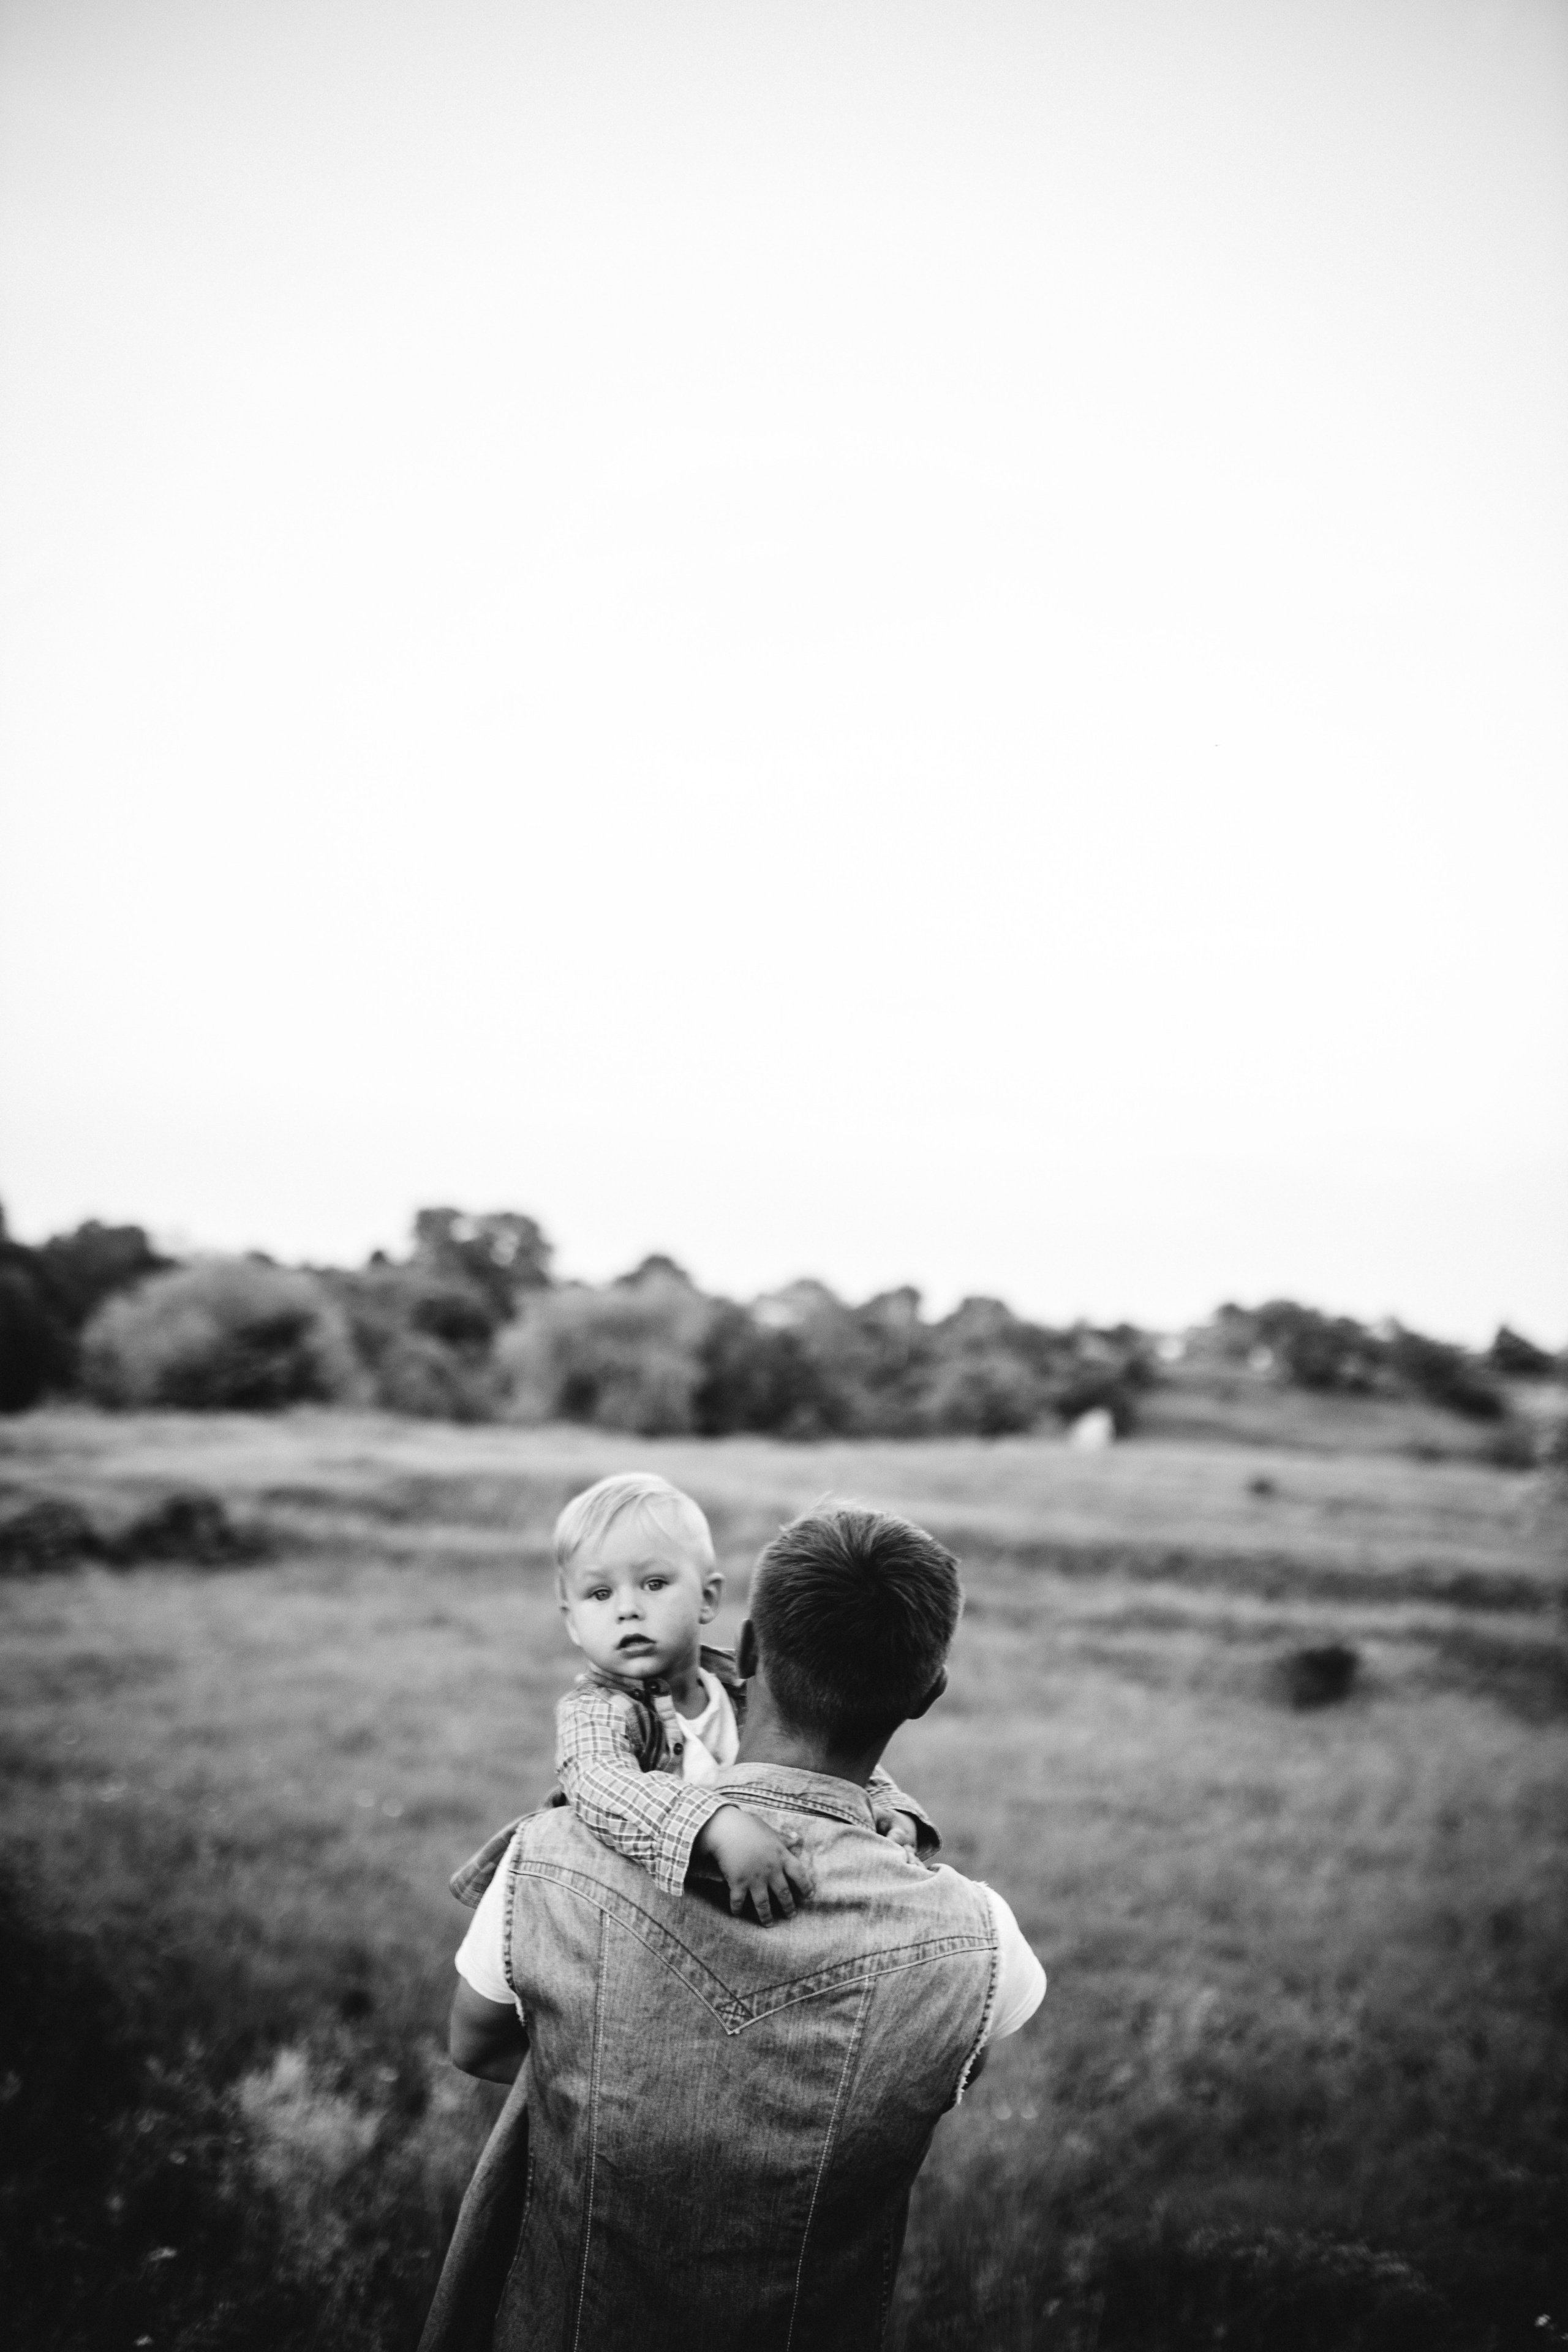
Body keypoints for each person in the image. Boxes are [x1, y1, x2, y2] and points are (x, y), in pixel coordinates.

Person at [420, 1506, 1045, 2352]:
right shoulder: (982, 1946)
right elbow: (922, 2093)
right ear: (927, 1694)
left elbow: (476, 2044)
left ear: (749, 1652)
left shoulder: (549, 1857)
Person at [448, 1471, 938, 1926]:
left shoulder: (739, 1686)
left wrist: (889, 1806)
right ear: (571, 1619)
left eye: (654, 1583)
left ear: (707, 1598)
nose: (627, 1609)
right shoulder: (596, 1710)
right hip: (628, 1908)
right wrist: (716, 1826)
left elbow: (829, 1739)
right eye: (598, 1594)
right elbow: (600, 1782)